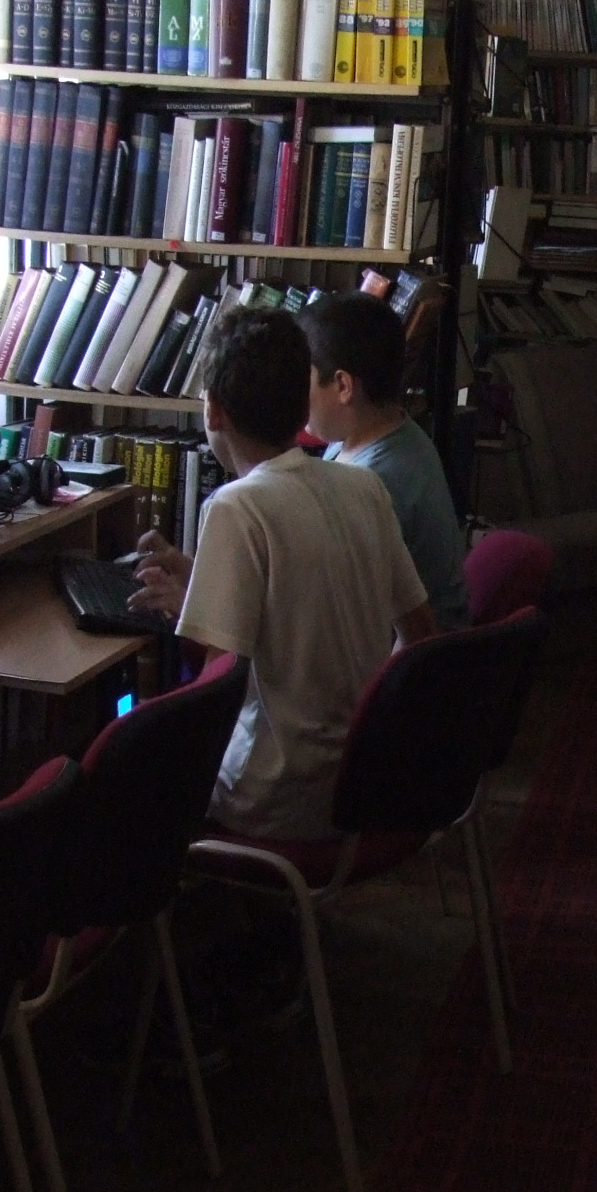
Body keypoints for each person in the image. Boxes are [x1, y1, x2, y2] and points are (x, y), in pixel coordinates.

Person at [129, 305, 435, 841]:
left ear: (214, 411)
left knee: (120, 764)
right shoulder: (363, 487)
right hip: (360, 781)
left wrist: (187, 614)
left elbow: (215, 691)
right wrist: (202, 583)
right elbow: (419, 634)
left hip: (272, 797)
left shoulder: (235, 506)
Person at [298, 295, 469, 630]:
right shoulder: (386, 432)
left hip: (411, 654)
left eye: (303, 377)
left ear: (343, 386)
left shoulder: (374, 481)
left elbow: (333, 611)